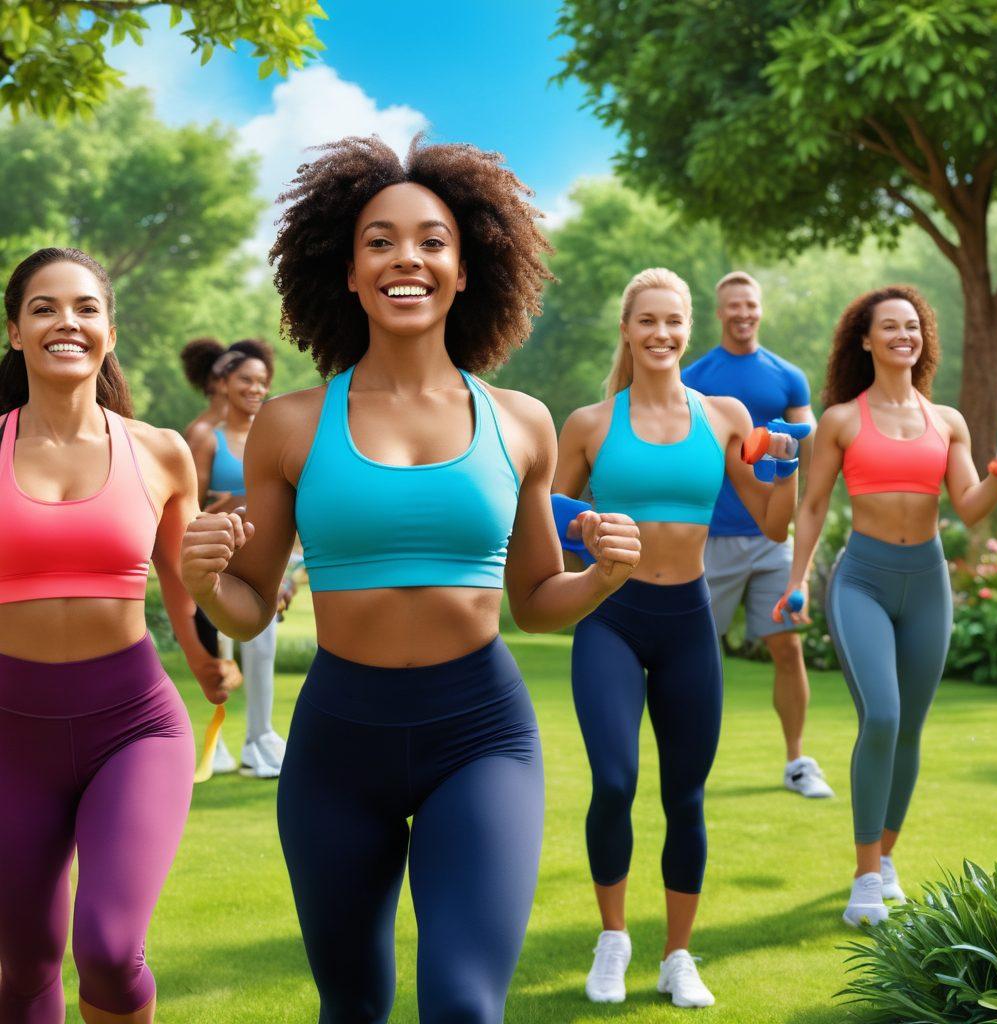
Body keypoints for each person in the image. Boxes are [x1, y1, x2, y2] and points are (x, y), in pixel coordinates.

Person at [180, 135, 642, 1024]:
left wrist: (602, 581)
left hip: (480, 736)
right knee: (352, 1004)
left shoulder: (521, 423)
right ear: (348, 272)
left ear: (466, 271)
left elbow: (535, 602)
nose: (407, 259)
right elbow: (249, 607)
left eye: (432, 241)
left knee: (464, 1005)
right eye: (380, 241)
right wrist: (206, 585)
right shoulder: (290, 424)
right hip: (338, 744)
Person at [0, 247, 237, 1024]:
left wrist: (205, 660)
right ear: (15, 332)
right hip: (9, 734)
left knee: (107, 949)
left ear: (109, 330)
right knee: (24, 962)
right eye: (43, 308)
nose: (66, 322)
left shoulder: (161, 451)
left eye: (86, 307)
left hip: (132, 728)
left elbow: (181, 579)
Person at [553, 267, 801, 1009]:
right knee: (615, 781)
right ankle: (613, 939)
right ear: (627, 331)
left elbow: (773, 524)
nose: (661, 333)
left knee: (685, 796)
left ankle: (678, 956)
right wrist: (581, 527)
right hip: (611, 618)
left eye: (673, 321)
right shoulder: (590, 424)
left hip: (688, 622)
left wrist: (787, 467)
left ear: (688, 329)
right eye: (648, 321)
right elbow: (545, 519)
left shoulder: (725, 416)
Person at [778, 285, 997, 927]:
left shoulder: (947, 422)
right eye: (889, 326)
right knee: (881, 716)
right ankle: (864, 879)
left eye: (912, 325)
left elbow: (969, 508)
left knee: (909, 726)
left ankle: (886, 858)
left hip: (928, 583)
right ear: (865, 340)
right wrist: (798, 580)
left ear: (923, 337)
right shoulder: (841, 420)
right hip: (862, 581)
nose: (902, 335)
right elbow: (812, 505)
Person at [682, 271, 833, 798]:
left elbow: (811, 442)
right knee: (695, 655)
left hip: (773, 539)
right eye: (733, 306)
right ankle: (688, 765)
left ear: (760, 309)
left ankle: (797, 763)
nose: (743, 313)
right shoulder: (696, 376)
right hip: (712, 539)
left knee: (788, 648)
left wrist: (808, 489)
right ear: (719, 313)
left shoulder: (787, 376)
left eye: (750, 304)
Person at [187, 339, 285, 778]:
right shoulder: (206, 438)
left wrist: (291, 570)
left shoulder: (272, 435)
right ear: (224, 383)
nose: (256, 389)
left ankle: (260, 739)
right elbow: (187, 507)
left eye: (262, 382)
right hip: (220, 563)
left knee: (262, 649)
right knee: (223, 652)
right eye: (246, 380)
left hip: (265, 561)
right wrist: (222, 508)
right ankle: (219, 742)